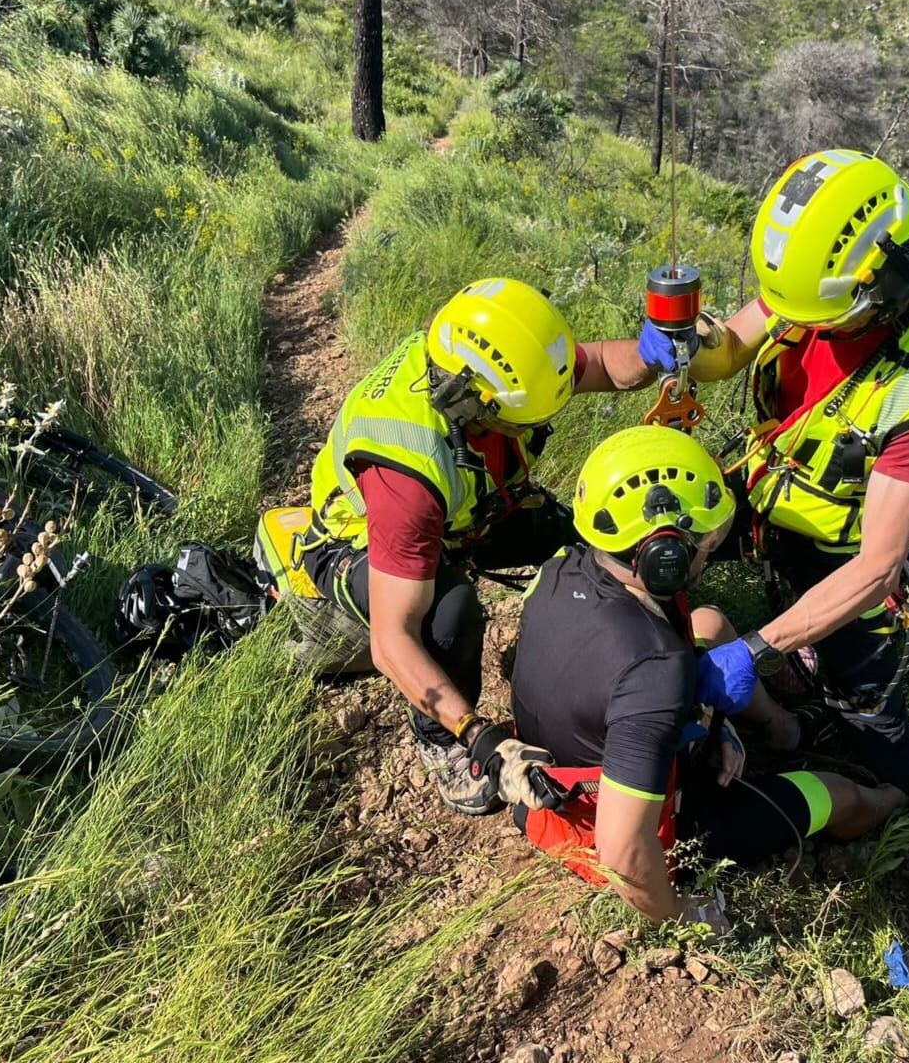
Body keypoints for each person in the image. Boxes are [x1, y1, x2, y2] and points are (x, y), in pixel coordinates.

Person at [633, 150, 909, 926]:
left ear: (884, 282)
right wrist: (684, 346)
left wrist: (756, 649)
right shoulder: (818, 283)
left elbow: (878, 566)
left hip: (843, 561)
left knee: (876, 727)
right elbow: (734, 343)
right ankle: (774, 719)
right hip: (769, 496)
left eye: (821, 318)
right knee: (651, 552)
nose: (804, 327)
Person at [256, 277, 726, 818]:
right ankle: (440, 743)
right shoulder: (408, 479)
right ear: (471, 404)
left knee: (587, 539)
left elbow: (596, 363)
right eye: (524, 421)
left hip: (458, 516)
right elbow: (391, 641)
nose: (538, 424)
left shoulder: (488, 363)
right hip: (356, 539)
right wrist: (481, 739)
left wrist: (648, 355)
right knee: (448, 615)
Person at [509, 426, 907, 927]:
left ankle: (783, 730)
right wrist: (682, 914)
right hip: (600, 831)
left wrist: (706, 724)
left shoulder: (562, 567)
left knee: (710, 624)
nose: (709, 549)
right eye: (703, 541)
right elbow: (622, 853)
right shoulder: (654, 671)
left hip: (554, 787)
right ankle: (900, 800)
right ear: (664, 556)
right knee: (837, 795)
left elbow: (617, 688)